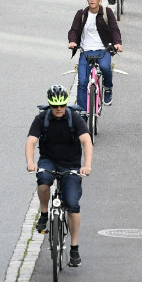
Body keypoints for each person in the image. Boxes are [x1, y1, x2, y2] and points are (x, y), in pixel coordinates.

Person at [26, 85, 94, 268]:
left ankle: (74, 248)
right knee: (43, 182)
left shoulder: (75, 119)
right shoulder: (42, 118)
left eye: (62, 106)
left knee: (72, 204)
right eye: (55, 106)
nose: (58, 109)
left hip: (71, 165)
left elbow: (86, 141)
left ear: (65, 105)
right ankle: (44, 214)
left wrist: (86, 165)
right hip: (49, 160)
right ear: (50, 105)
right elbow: (31, 141)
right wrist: (31, 163)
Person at [68, 0, 123, 108]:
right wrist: (72, 41)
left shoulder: (106, 12)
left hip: (103, 50)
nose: (92, 0)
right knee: (82, 82)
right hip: (86, 51)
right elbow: (73, 30)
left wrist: (117, 43)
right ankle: (82, 113)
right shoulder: (81, 14)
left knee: (105, 67)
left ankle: (107, 88)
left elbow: (114, 29)